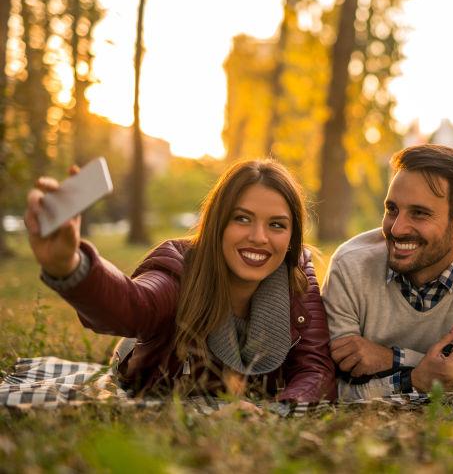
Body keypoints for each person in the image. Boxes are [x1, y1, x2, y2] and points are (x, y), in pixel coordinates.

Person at [24, 159, 336, 403]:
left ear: (292, 237)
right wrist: (69, 265)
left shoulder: (297, 276)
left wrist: (279, 409)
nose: (258, 237)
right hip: (148, 354)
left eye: (277, 225)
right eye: (242, 218)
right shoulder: (179, 265)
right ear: (217, 223)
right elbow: (132, 306)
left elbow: (315, 368)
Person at [322, 144, 453, 400]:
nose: (397, 229)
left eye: (419, 213)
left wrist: (392, 358)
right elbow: (330, 388)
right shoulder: (349, 267)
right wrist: (415, 379)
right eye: (392, 210)